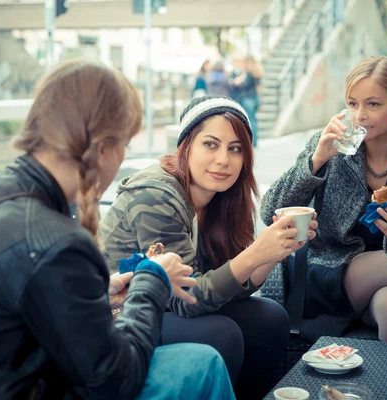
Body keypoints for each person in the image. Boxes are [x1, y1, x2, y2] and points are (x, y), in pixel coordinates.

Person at [0, 60, 236, 400]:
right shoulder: (57, 242)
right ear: (103, 147)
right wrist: (152, 279)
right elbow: (116, 380)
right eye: (123, 146)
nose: (120, 159)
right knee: (202, 363)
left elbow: (0, 311)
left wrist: (98, 295)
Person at [100, 95, 318, 400]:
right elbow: (188, 299)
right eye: (210, 144)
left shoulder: (220, 200)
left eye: (235, 149)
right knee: (221, 334)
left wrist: (276, 250)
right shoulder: (156, 196)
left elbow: (227, 286)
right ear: (186, 145)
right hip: (126, 313)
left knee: (271, 319)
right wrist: (256, 252)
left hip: (167, 305)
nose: (223, 160)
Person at [261, 56, 387, 346]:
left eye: (373, 104)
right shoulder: (328, 146)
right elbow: (269, 210)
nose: (360, 115)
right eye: (352, 104)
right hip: (326, 274)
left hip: (384, 284)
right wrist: (317, 160)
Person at [234, 55, 261, 147]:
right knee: (253, 119)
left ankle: (252, 141)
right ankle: (255, 141)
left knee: (250, 120)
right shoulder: (257, 72)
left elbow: (245, 85)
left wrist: (239, 82)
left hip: (248, 98)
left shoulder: (249, 73)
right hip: (254, 98)